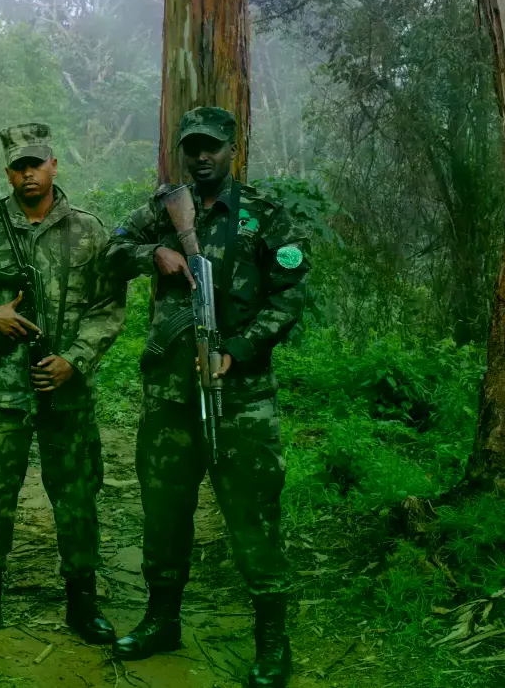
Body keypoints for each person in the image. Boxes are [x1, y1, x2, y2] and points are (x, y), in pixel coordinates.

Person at [108, 106, 308, 688]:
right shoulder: (161, 210)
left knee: (253, 519)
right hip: (170, 395)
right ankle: (161, 620)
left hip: (242, 398)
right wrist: (153, 253)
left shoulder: (266, 217)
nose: (202, 157)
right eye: (192, 147)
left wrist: (238, 349)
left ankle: (272, 642)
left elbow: (290, 298)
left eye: (212, 147)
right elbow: (111, 248)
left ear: (231, 150)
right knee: (165, 514)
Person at [0, 123, 126, 645]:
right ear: (7, 172)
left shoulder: (89, 231)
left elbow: (109, 307)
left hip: (66, 392)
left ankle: (82, 602)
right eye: (18, 166)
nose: (28, 173)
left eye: (36, 163)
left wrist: (77, 358)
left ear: (53, 164)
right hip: (2, 393)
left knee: (76, 497)